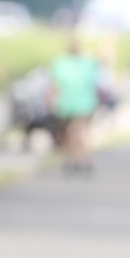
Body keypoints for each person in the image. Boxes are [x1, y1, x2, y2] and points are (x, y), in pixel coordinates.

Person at [48, 38, 100, 171]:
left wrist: (52, 101)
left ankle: (80, 159)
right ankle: (76, 159)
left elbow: (54, 86)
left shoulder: (64, 63)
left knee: (75, 133)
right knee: (73, 134)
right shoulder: (84, 64)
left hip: (76, 104)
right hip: (73, 104)